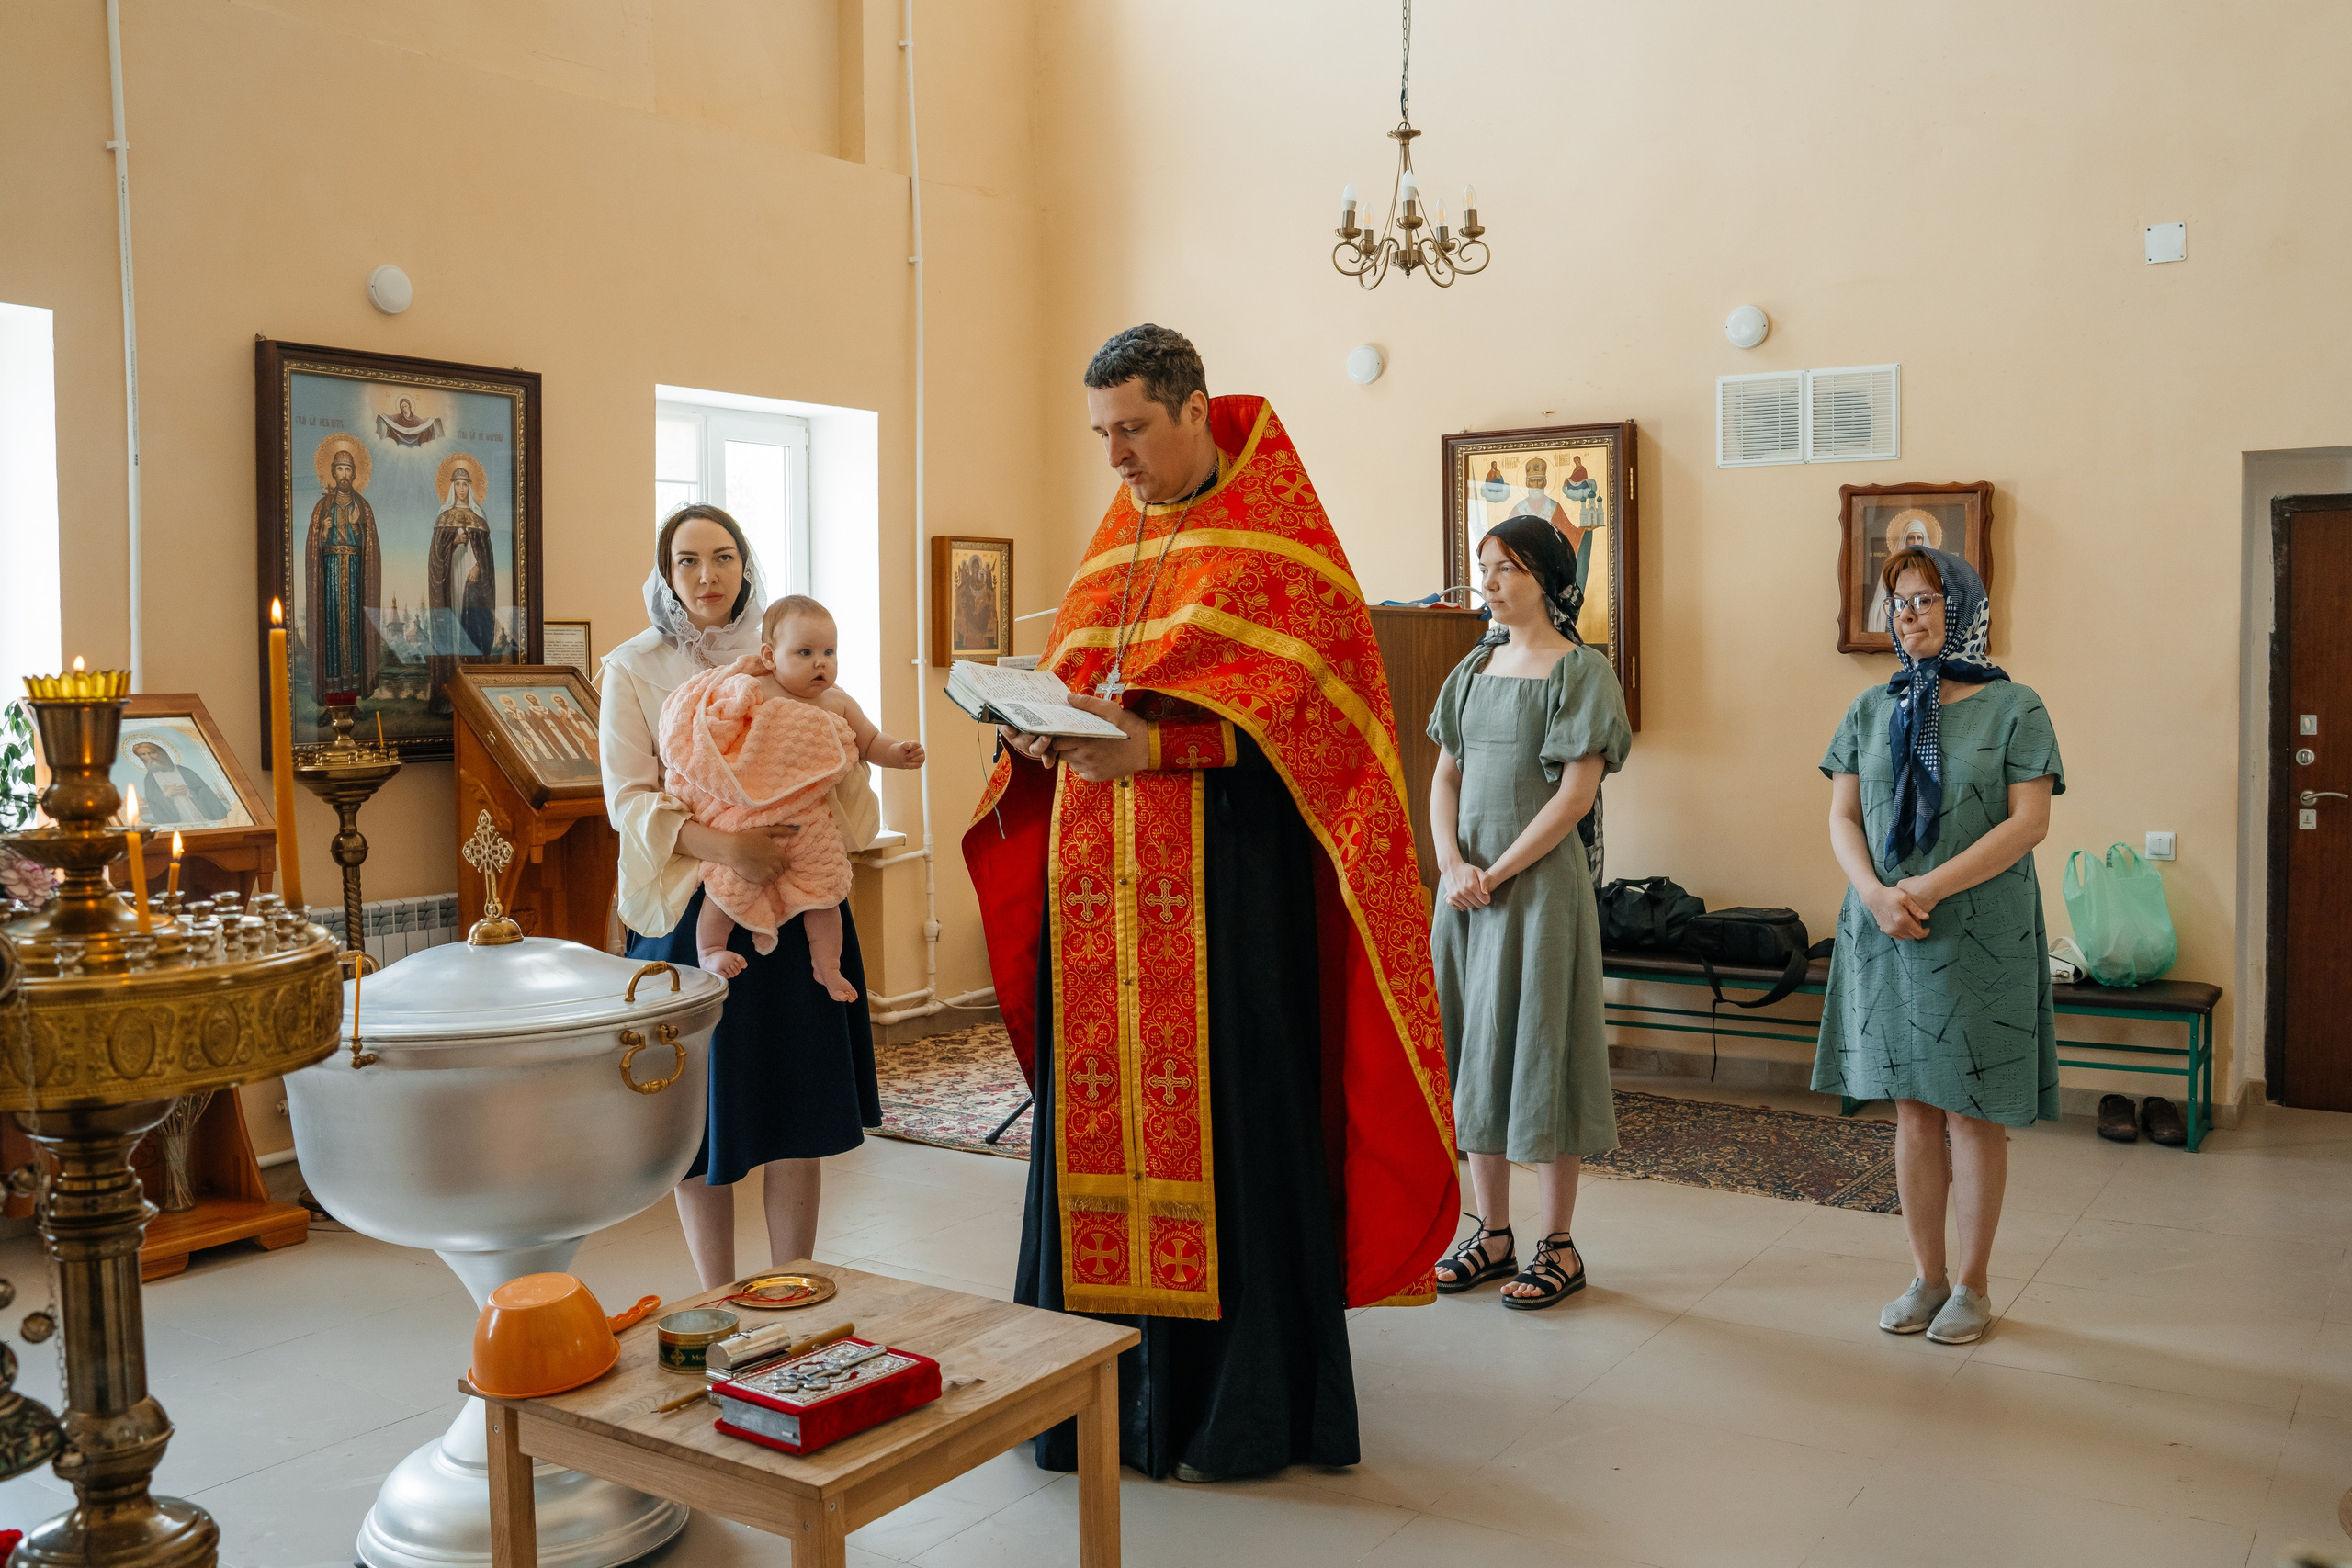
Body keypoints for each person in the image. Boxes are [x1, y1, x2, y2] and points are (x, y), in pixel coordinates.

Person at [965, 324, 1458, 1483]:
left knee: (1232, 1138)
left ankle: (1230, 1413)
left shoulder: (1277, 544)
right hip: (1101, 911)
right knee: (1095, 1139)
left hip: (1226, 910)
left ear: (1194, 408)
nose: (1116, 458)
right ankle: (1102, 1403)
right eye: (1101, 436)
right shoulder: (1117, 537)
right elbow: (1088, 685)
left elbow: (1321, 743)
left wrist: (1166, 748)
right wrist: (1039, 729)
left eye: (1132, 430)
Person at [598, 504, 885, 1290]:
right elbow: (628, 799)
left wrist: (843, 769)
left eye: (722, 557)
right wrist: (727, 847)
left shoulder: (790, 651)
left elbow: (844, 769)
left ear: (744, 564)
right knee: (703, 1120)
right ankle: (717, 1292)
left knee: (797, 1108)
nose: (707, 575)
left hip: (797, 897)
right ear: (666, 572)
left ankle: (794, 1282)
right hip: (693, 904)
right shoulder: (633, 666)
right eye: (688, 561)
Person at [1814, 545, 2064, 1347]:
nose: (1911, 615)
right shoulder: (1869, 708)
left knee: (1972, 1111)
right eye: (1899, 603)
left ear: (1963, 609)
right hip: (1886, 927)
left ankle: (1975, 1284)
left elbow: (2029, 822)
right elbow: (1843, 818)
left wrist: (1927, 887)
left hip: (1978, 931)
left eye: (1926, 600)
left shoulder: (2014, 705)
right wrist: (1877, 893)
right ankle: (1926, 1275)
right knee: (1912, 1109)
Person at [1427, 518, 1630, 1310]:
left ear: (1545, 577)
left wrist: (1496, 872)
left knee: (1544, 1051)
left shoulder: (1582, 672)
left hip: (1540, 892)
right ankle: (1494, 1233)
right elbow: (1446, 776)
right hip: (1468, 893)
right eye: (1483, 567)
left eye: (1505, 568)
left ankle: (1557, 1243)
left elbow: (1575, 796)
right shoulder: (1472, 670)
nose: (1490, 582)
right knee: (1478, 1050)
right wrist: (1450, 864)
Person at [660, 594, 924, 999]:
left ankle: (828, 966)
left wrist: (896, 754)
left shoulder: (837, 701)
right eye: (805, 652)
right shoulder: (753, 688)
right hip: (752, 813)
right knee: (727, 881)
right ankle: (711, 948)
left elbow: (870, 739)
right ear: (769, 655)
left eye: (829, 652)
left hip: (810, 815)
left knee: (827, 890)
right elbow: (718, 732)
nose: (821, 662)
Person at [304, 439, 383, 705]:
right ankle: (332, 701)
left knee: (353, 631)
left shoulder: (363, 507)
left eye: (349, 470)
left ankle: (351, 700)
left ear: (355, 474)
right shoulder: (322, 507)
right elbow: (314, 547)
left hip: (356, 578)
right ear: (332, 472)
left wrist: (356, 527)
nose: (344, 475)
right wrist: (324, 532)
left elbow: (369, 548)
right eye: (340, 469)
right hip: (329, 576)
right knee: (332, 630)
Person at [426, 458, 498, 712]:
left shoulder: (479, 516)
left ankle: (474, 691)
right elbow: (435, 558)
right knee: (454, 626)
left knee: (472, 628)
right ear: (451, 487)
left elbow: (487, 556)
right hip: (452, 579)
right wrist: (453, 542)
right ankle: (451, 690)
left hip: (473, 584)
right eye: (457, 484)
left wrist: (479, 566)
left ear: (470, 487)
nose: (461, 489)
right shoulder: (444, 516)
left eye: (465, 484)